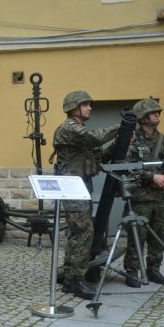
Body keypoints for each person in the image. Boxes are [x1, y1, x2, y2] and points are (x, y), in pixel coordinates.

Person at [52, 91, 119, 299]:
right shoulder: (68, 128)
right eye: (86, 105)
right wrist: (120, 127)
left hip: (82, 185)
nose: (90, 108)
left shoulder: (80, 135)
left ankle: (71, 278)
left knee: (77, 232)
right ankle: (78, 280)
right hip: (71, 186)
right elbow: (96, 138)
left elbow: (101, 157)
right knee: (84, 231)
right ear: (73, 108)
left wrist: (119, 141)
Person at [122, 98, 164, 287]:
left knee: (159, 236)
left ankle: (154, 270)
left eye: (158, 112)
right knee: (137, 236)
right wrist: (151, 178)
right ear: (142, 117)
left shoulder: (162, 139)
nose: (157, 115)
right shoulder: (132, 138)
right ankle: (131, 272)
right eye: (153, 112)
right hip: (139, 199)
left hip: (160, 198)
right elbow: (127, 167)